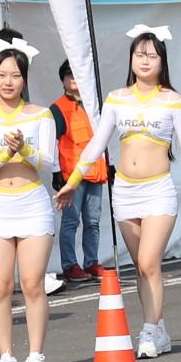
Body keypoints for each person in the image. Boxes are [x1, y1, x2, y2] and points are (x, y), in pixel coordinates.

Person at [60, 24, 181, 357]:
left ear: (162, 61)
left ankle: (149, 331)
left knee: (148, 260)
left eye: (152, 55)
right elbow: (96, 145)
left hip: (159, 191)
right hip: (125, 192)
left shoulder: (173, 101)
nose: (145, 61)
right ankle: (158, 328)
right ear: (131, 59)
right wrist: (72, 182)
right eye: (140, 54)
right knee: (141, 267)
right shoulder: (117, 98)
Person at [0, 30, 62, 362]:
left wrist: (24, 149)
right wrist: (5, 154)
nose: (8, 82)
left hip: (32, 202)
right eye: (2, 75)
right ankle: (6, 355)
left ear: (25, 78)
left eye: (15, 75)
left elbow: (49, 162)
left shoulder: (41, 115)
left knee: (33, 283)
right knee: (1, 286)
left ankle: (36, 353)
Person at [51, 60, 108, 282]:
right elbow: (53, 142)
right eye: (69, 74)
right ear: (62, 79)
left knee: (93, 221)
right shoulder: (58, 108)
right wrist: (56, 172)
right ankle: (69, 265)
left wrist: (109, 164)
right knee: (71, 222)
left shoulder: (93, 105)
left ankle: (91, 262)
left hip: (96, 172)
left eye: (76, 74)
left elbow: (102, 137)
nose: (73, 78)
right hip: (72, 175)